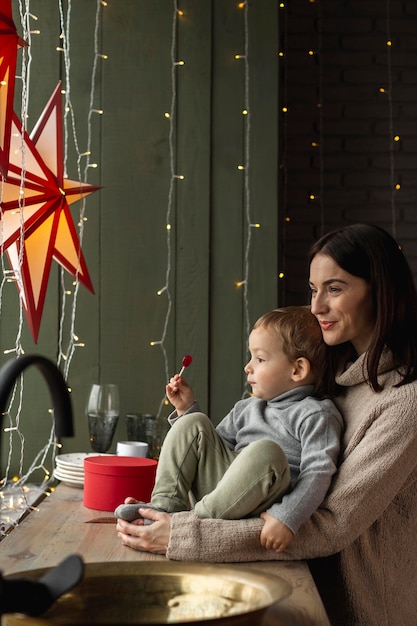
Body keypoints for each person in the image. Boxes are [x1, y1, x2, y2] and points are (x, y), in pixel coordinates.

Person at [116, 223, 417, 626]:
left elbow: (331, 523)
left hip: (354, 609)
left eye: (335, 288)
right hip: (287, 577)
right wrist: (167, 514)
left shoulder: (404, 403)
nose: (317, 307)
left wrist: (183, 534)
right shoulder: (336, 377)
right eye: (314, 289)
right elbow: (231, 461)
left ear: (380, 290)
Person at [117, 306, 343, 552]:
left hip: (263, 498)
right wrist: (186, 410)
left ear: (297, 369)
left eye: (260, 359)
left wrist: (287, 517)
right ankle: (162, 507)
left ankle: (186, 523)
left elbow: (318, 472)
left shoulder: (316, 414)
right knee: (194, 423)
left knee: (266, 451)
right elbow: (212, 448)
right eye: (251, 357)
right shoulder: (247, 407)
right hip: (222, 494)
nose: (248, 367)